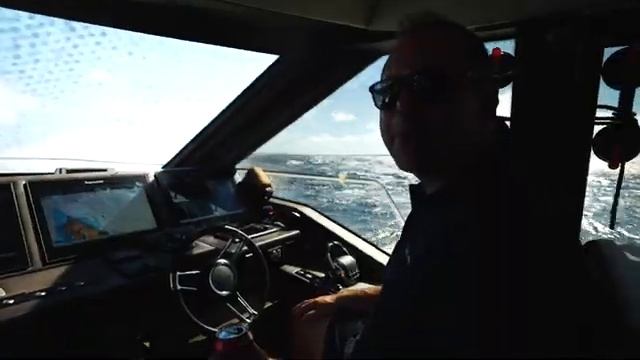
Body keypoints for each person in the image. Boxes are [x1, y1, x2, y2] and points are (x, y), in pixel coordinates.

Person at [290, 11, 589, 358]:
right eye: (388, 92)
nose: (401, 105)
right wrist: (360, 295)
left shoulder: (498, 230)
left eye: (426, 86)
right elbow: (432, 298)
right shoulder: (473, 190)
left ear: (485, 99)